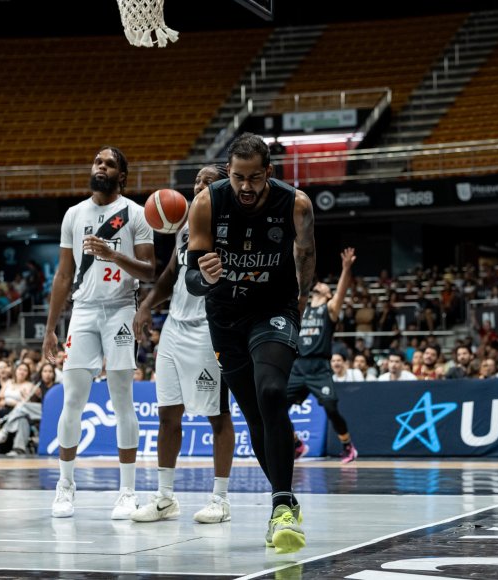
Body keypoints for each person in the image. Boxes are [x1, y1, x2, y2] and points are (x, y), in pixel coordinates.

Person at [185, 132, 314, 554]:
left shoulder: (295, 203)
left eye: (254, 178)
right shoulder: (206, 202)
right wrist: (205, 275)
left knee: (272, 391)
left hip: (273, 309)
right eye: (238, 177)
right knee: (255, 415)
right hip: (225, 317)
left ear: (269, 174)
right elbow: (191, 278)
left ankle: (280, 506)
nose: (245, 187)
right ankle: (286, 499)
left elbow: (307, 254)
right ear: (229, 173)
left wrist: (301, 300)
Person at [42, 145, 155, 519]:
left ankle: (127, 492)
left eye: (109, 164)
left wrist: (114, 255)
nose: (101, 166)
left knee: (123, 399)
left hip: (121, 309)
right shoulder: (74, 214)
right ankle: (65, 486)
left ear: (121, 175)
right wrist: (50, 328)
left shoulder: (137, 214)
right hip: (84, 311)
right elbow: (62, 275)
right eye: (97, 161)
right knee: (72, 398)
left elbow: (150, 271)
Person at [128, 164, 236, 524]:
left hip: (209, 329)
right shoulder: (184, 227)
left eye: (209, 181)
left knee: (216, 415)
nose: (200, 186)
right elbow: (170, 275)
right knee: (167, 414)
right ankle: (165, 498)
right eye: (197, 181)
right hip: (174, 327)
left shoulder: (231, 226)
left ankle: (220, 499)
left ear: (223, 188)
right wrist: (145, 306)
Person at [287, 248, 358, 463]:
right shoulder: (302, 308)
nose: (318, 285)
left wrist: (346, 269)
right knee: (274, 408)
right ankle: (296, 444)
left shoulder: (329, 309)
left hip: (319, 367)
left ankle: (347, 446)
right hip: (298, 366)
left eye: (321, 286)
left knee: (330, 407)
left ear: (327, 294)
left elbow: (342, 291)